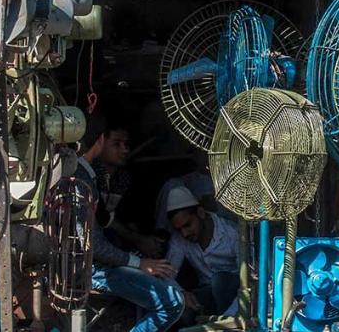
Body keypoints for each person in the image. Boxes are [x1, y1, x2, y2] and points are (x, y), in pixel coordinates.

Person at [76, 112, 183, 332]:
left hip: (106, 261)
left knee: (167, 285)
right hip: (95, 269)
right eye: (117, 143)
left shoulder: (88, 176)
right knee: (172, 302)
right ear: (101, 140)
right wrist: (138, 263)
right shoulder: (81, 180)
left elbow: (108, 221)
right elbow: (94, 245)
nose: (124, 149)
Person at [162, 183, 241, 317]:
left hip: (235, 294)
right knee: (182, 309)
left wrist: (228, 319)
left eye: (188, 225)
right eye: (179, 229)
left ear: (200, 213)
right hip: (206, 292)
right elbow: (166, 275)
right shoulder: (179, 239)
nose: (185, 234)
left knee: (220, 281)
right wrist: (181, 293)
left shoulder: (232, 233)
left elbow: (248, 281)